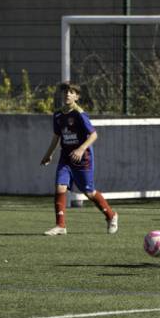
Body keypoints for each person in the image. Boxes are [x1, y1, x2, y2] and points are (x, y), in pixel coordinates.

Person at [40, 81, 118, 236]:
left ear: (76, 97)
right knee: (60, 187)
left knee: (89, 192)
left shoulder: (79, 114)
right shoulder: (58, 115)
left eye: (71, 92)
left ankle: (111, 215)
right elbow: (56, 137)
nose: (67, 94)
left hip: (83, 159)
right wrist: (48, 154)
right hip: (66, 158)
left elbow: (94, 135)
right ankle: (60, 225)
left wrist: (81, 149)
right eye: (65, 92)